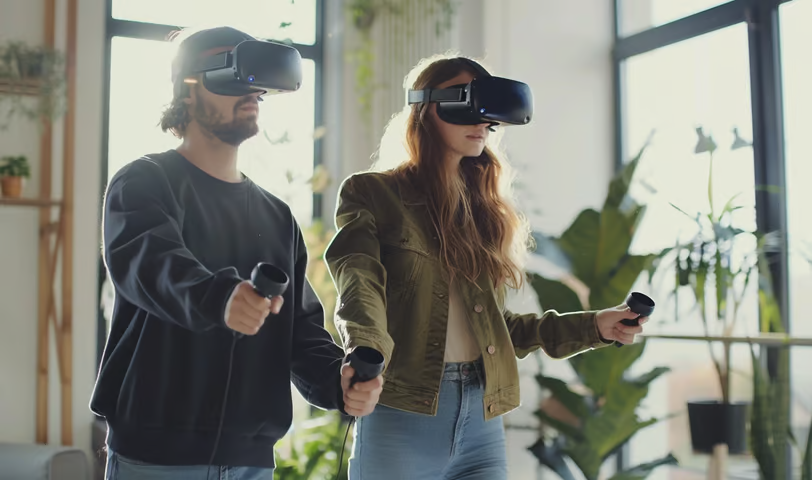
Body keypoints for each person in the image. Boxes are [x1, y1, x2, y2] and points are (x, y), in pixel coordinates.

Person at [323, 53, 650, 480]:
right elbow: (358, 277)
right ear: (427, 107)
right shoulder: (373, 193)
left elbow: (502, 328)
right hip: (404, 413)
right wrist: (365, 349)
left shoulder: (482, 212)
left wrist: (594, 326)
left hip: (482, 417)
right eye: (468, 105)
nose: (483, 122)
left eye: (489, 115)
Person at [90, 26, 382, 480]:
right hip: (156, 459)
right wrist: (220, 297)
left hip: (251, 463)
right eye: (231, 78)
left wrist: (337, 381)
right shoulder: (144, 183)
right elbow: (153, 265)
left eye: (257, 87)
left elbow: (300, 331)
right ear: (187, 90)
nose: (251, 95)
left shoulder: (276, 216)